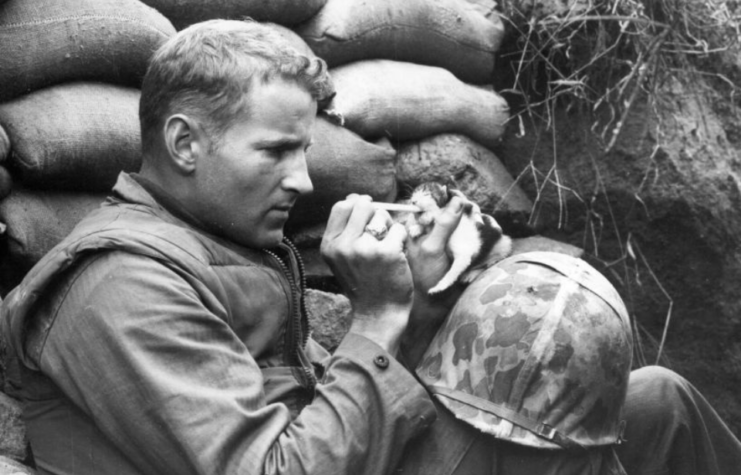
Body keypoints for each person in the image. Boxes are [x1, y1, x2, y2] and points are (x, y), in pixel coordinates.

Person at [0, 19, 739, 475]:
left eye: (305, 150)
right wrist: (379, 318)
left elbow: (332, 416)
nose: (300, 177)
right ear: (185, 142)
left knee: (655, 402)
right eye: (275, 151)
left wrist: (416, 307)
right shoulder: (118, 285)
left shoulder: (219, 245)